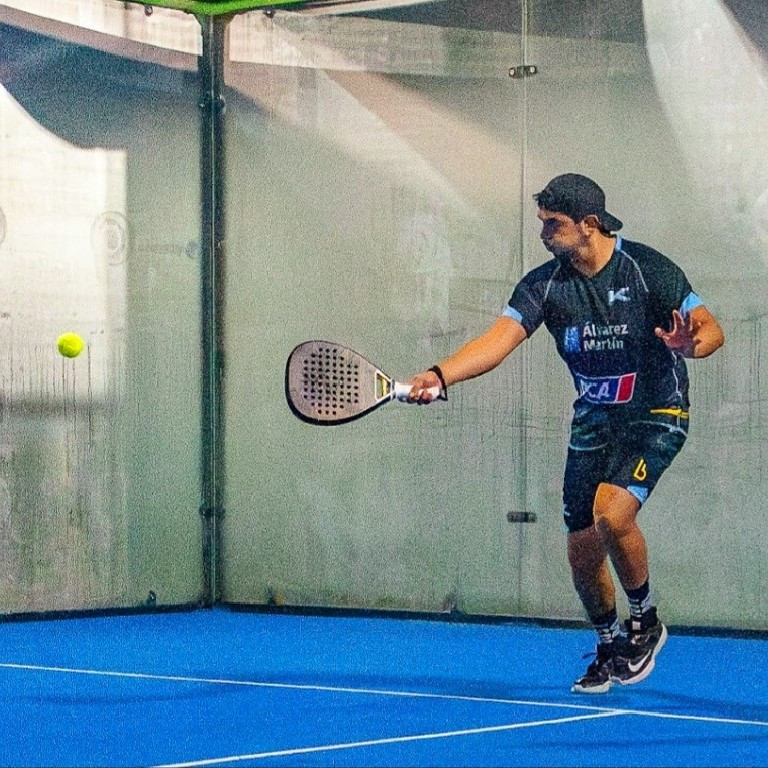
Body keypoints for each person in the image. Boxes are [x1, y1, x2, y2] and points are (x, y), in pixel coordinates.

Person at [406, 173, 725, 694]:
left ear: (588, 224)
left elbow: (711, 328)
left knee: (611, 514)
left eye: (553, 224)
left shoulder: (648, 269)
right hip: (594, 420)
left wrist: (693, 345)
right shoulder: (543, 285)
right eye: (542, 223)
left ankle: (645, 621)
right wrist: (440, 375)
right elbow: (497, 341)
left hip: (656, 412)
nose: (543, 234)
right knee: (581, 550)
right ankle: (609, 644)